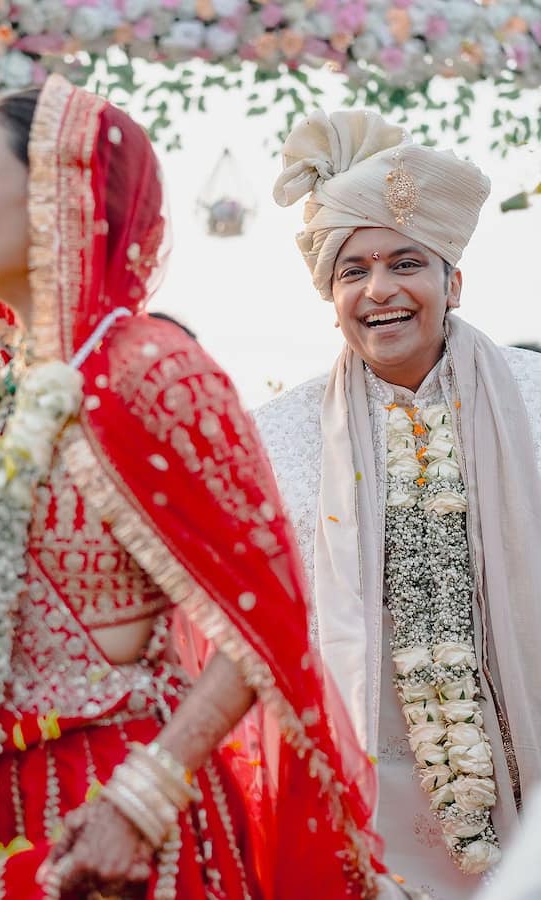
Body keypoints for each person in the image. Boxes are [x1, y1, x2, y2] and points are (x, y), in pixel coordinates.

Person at [0, 78, 394, 900]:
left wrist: (143, 797)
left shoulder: (152, 371)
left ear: (60, 184)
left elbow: (261, 622)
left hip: (106, 825)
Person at [255, 109, 541, 899]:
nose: (379, 290)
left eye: (405, 263)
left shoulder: (534, 399)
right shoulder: (279, 437)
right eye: (352, 271)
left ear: (453, 281)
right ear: (332, 293)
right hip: (366, 790)